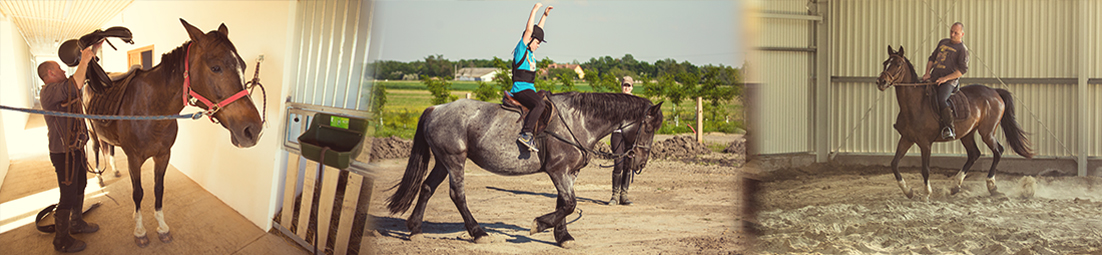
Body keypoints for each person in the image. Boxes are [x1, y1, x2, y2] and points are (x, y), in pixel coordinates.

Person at [38, 42, 100, 253]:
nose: (64, 70)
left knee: (80, 185)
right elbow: (74, 84)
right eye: (59, 68)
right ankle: (61, 240)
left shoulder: (60, 87)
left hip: (75, 150)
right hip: (62, 153)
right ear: (49, 73)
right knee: (67, 196)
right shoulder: (49, 92)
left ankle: (76, 222)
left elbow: (78, 80)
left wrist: (92, 53)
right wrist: (83, 59)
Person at [513, 2, 552, 152]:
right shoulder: (521, 49)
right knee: (539, 104)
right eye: (537, 42)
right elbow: (530, 30)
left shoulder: (531, 54)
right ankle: (526, 134)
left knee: (547, 98)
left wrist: (545, 16)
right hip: (520, 89)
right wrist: (534, 10)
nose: (538, 45)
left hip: (530, 89)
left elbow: (537, 32)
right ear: (528, 40)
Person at [921, 22, 969, 140]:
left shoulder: (962, 49)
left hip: (949, 82)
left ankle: (949, 128)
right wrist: (927, 72)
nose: (952, 34)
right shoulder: (943, 42)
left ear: (962, 34)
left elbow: (962, 71)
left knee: (941, 99)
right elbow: (932, 58)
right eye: (951, 31)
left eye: (956, 33)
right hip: (934, 78)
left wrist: (945, 79)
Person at [609, 76, 635, 205]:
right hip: (618, 134)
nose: (626, 88)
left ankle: (624, 195)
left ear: (632, 87)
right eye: (625, 85)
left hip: (630, 136)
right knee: (618, 163)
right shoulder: (616, 101)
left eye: (629, 86)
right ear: (621, 86)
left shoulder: (636, 103)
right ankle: (615, 195)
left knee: (628, 165)